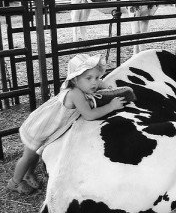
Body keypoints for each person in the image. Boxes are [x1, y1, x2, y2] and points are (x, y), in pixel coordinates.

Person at [7, 53, 127, 194]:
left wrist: (106, 85)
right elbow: (89, 115)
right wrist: (111, 106)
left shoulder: (81, 85)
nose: (94, 82)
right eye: (89, 78)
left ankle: (28, 174)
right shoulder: (75, 94)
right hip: (40, 128)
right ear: (75, 80)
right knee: (29, 156)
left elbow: (98, 83)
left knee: (35, 154)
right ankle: (15, 182)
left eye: (96, 77)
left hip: (48, 126)